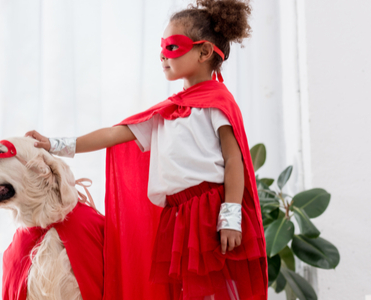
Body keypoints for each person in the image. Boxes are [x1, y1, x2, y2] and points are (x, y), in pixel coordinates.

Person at [26, 0, 267, 299]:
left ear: (204, 52)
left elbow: (235, 160)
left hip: (207, 210)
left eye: (173, 47)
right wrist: (55, 144)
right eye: (161, 46)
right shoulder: (167, 113)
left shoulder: (217, 105)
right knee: (182, 293)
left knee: (213, 291)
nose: (163, 55)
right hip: (176, 216)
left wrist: (230, 216)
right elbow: (114, 134)